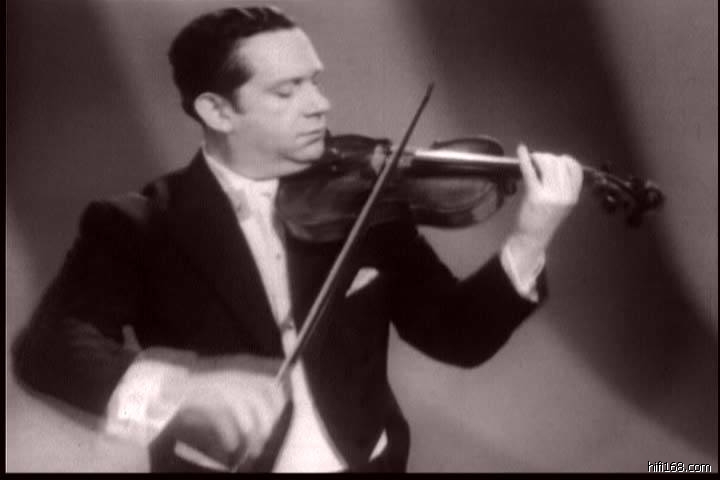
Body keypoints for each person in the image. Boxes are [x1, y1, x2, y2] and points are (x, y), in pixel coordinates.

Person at [12, 5, 583, 473]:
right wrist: (182, 393)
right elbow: (49, 348)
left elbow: (456, 337)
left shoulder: (367, 203)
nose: (320, 105)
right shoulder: (139, 224)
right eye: (287, 91)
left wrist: (530, 239)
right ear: (217, 110)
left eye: (315, 82)